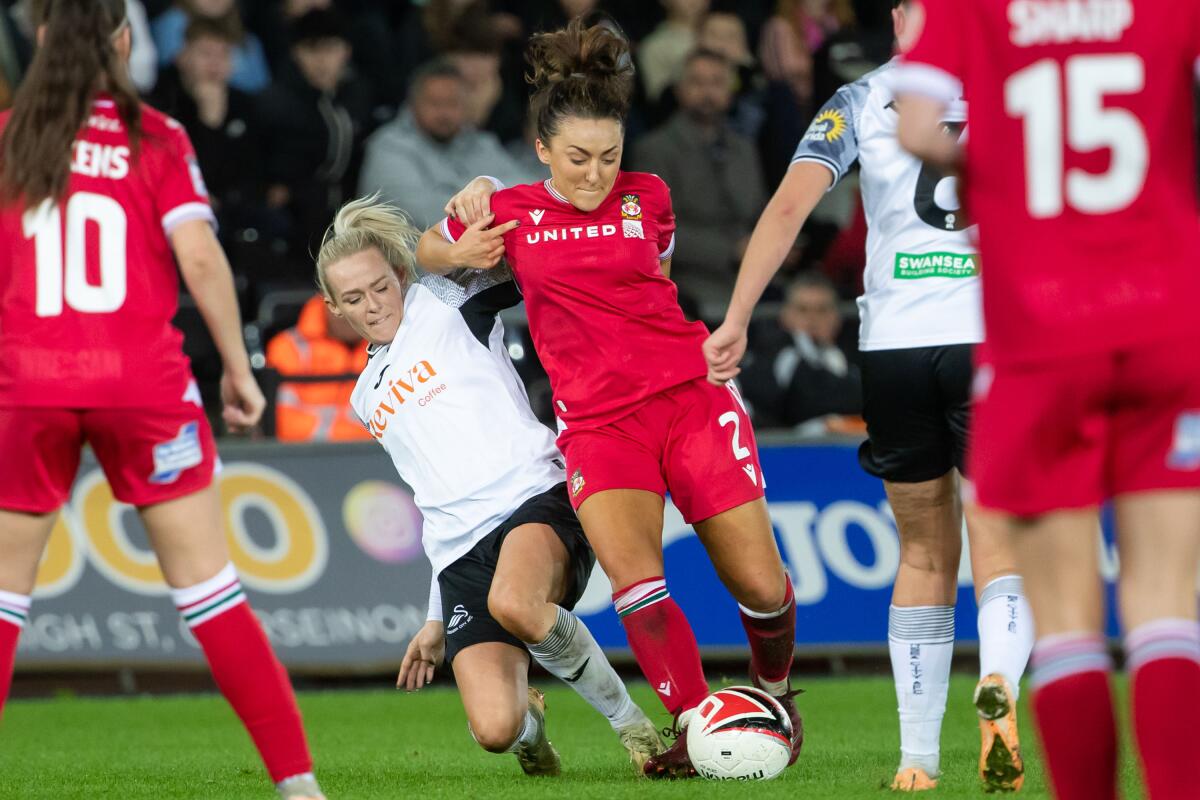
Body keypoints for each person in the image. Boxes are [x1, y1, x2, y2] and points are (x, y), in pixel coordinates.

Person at [416, 18, 804, 779]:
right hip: (598, 425)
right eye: (577, 159)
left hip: (690, 397)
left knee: (761, 584)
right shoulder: (511, 210)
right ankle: (693, 732)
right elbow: (424, 249)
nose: (595, 174)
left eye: (609, 157)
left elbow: (653, 279)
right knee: (639, 583)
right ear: (541, 151)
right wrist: (458, 239)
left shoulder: (649, 196)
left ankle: (775, 699)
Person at [704, 0, 1034, 790]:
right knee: (999, 545)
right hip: (988, 336)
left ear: (898, 16)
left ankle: (917, 761)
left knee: (921, 552)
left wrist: (740, 316)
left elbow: (790, 206)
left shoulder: (859, 97)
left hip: (893, 346)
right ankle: (1001, 690)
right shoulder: (1015, 85)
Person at [0, 2, 323, 799]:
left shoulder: (8, 135)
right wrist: (239, 370)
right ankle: (300, 788)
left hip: (27, 384)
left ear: (41, 39)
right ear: (122, 42)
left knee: (4, 600)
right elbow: (203, 260)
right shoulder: (158, 137)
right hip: (140, 385)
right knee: (211, 593)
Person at [893, 1, 1200, 799]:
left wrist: (1008, 175)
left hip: (1039, 336)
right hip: (1167, 318)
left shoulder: (970, 11)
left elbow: (920, 128)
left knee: (1066, 621)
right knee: (1165, 605)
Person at [315, 195, 663, 774]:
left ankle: (635, 728)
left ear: (398, 274)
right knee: (495, 730)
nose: (374, 305)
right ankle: (534, 733)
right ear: (334, 308)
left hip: (536, 502)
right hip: (461, 557)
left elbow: (517, 241)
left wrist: (481, 188)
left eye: (380, 286)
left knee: (515, 601)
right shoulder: (363, 398)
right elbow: (435, 502)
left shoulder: (444, 302)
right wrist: (434, 616)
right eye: (354, 298)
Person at [633, 48, 767, 317]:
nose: (708, 92)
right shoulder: (654, 150)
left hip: (752, 283)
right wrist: (731, 251)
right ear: (679, 90)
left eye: (717, 83)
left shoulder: (744, 149)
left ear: (730, 91)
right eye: (697, 82)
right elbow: (651, 233)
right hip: (686, 288)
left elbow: (759, 211)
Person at [358, 59, 531, 231]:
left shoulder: (481, 143)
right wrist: (487, 195)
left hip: (475, 251)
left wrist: (464, 195)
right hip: (404, 255)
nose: (444, 113)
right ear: (413, 104)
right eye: (435, 103)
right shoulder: (388, 145)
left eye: (452, 103)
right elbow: (421, 213)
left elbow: (526, 189)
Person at [259, 8, 372, 263]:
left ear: (346, 51)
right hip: (295, 214)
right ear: (296, 53)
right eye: (312, 50)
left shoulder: (359, 95)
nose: (321, 60)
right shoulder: (276, 102)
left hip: (347, 209)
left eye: (330, 49)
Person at [739, 272, 862, 431]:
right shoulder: (772, 358)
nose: (812, 318)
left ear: (836, 317)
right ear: (785, 315)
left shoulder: (856, 357)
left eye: (822, 310)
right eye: (802, 310)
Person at [265, 294, 371, 442]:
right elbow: (285, 426)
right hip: (306, 459)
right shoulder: (287, 347)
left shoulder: (392, 345)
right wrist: (363, 433)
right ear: (328, 302)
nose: (352, 313)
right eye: (349, 301)